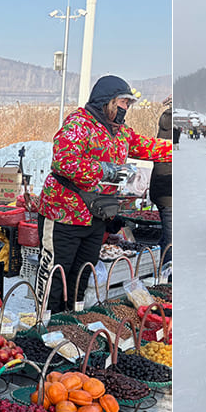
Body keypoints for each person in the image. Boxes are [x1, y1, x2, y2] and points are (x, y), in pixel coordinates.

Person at [35, 75, 171, 315]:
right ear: (108, 101)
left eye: (128, 104)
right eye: (123, 102)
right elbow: (64, 162)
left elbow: (148, 147)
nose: (126, 108)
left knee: (81, 274)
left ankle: (68, 322)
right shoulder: (79, 124)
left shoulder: (120, 133)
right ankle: (43, 324)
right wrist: (105, 170)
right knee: (57, 274)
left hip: (96, 216)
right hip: (63, 214)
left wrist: (176, 150)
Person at [151, 98, 172, 261]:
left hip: (163, 191)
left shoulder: (164, 133)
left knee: (167, 238)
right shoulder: (167, 141)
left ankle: (162, 268)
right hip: (168, 193)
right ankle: (167, 274)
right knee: (171, 242)